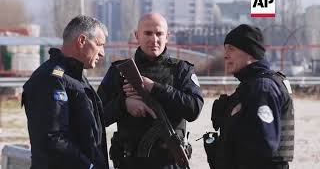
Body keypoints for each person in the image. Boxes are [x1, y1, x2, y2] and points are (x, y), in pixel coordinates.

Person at [97, 12, 204, 168]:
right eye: (148, 33)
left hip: (169, 163)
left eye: (159, 34)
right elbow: (97, 116)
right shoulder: (119, 71)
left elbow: (194, 109)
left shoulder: (181, 70)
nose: (154, 39)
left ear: (167, 36)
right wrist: (124, 104)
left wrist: (155, 88)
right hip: (130, 162)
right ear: (137, 35)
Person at [22, 15, 109, 169]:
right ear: (81, 41)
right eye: (99, 44)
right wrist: (88, 166)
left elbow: (88, 129)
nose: (102, 53)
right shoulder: (51, 79)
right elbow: (53, 138)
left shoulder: (75, 77)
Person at [207, 24, 294, 169]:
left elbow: (265, 146)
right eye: (225, 49)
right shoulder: (252, 85)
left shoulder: (262, 88)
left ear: (250, 53)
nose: (225, 55)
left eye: (231, 49)